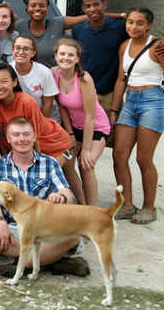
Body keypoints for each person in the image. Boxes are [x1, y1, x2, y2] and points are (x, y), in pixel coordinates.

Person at [0, 116, 87, 278]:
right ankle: (52, 260)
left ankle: (17, 265)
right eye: (16, 135)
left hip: (47, 228)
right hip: (14, 228)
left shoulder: (49, 163)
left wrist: (61, 198)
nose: (21, 139)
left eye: (26, 134)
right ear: (8, 139)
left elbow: (67, 193)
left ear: (34, 136)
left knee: (74, 236)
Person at [111, 8, 164, 225]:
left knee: (143, 158)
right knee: (119, 155)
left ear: (148, 25)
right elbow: (121, 79)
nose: (133, 26)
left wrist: (154, 92)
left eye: (139, 23)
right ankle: (127, 205)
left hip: (152, 103)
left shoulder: (158, 47)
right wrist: (114, 110)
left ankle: (149, 207)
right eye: (130, 22)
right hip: (129, 103)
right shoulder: (125, 45)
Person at [71, 0, 164, 117]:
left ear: (104, 5)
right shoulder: (78, 30)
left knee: (109, 132)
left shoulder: (120, 28)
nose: (92, 9)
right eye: (88, 6)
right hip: (83, 90)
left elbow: (144, 38)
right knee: (83, 130)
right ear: (83, 8)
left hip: (109, 93)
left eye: (96, 5)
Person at [52, 37, 110, 207]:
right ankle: (82, 205)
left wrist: (85, 149)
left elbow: (90, 116)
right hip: (74, 126)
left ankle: (92, 212)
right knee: (67, 165)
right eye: (62, 54)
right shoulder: (54, 73)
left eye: (71, 55)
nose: (66, 58)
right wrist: (69, 133)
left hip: (96, 127)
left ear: (77, 58)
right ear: (56, 55)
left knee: (86, 164)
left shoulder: (84, 79)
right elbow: (62, 107)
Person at [0, 63, 71, 165]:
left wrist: (36, 166)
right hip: (23, 153)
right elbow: (1, 139)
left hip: (53, 146)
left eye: (4, 82)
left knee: (43, 179)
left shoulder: (26, 102)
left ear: (14, 82)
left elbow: (35, 137)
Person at [15, 0, 95, 67]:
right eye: (33, 5)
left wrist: (103, 14)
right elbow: (4, 17)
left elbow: (86, 18)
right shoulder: (20, 25)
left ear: (47, 7)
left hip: (53, 77)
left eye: (42, 5)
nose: (37, 8)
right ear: (27, 8)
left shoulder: (57, 23)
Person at [9, 34, 61, 121]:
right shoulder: (7, 70)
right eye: (17, 48)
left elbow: (48, 103)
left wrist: (41, 125)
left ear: (33, 53)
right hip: (20, 119)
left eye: (26, 49)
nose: (21, 52)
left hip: (46, 118)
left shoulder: (44, 72)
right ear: (12, 50)